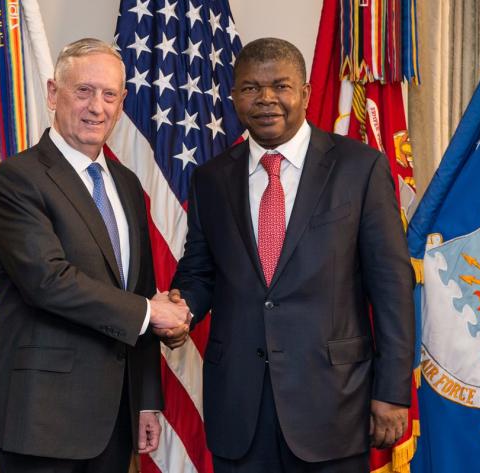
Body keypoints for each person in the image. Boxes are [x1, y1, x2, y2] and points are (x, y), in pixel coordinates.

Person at [163, 38, 415, 472]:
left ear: (305, 93)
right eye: (250, 88)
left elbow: (392, 287)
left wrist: (392, 391)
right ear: (234, 96)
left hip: (333, 403)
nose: (266, 99)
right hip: (239, 406)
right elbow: (200, 271)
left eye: (280, 86)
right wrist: (181, 309)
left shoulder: (360, 168)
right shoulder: (210, 179)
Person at [0, 38, 190, 473]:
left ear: (122, 102)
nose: (97, 107)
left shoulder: (127, 184)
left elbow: (139, 291)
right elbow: (48, 282)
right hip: (42, 421)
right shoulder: (17, 178)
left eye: (109, 95)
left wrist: (145, 399)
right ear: (53, 92)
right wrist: (152, 312)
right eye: (84, 91)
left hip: (114, 422)